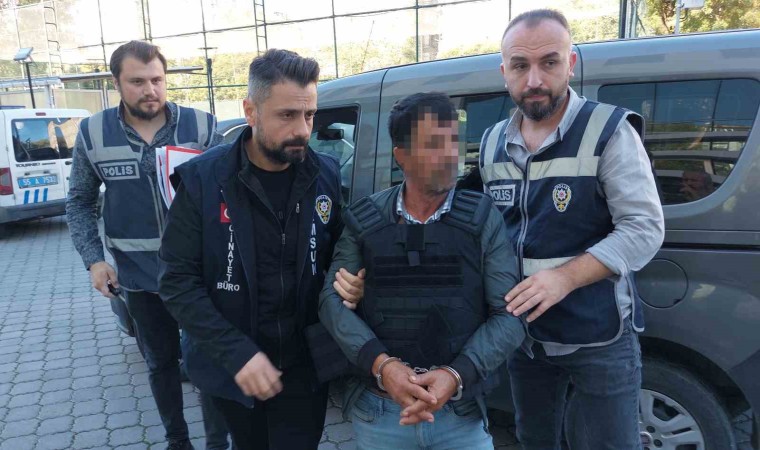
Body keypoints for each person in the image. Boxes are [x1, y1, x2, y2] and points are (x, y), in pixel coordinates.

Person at [158, 49, 365, 450]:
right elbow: (177, 283)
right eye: (287, 115)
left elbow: (340, 246)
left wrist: (352, 279)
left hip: (305, 365)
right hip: (234, 367)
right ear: (250, 111)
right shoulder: (203, 180)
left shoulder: (324, 173)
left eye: (309, 115)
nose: (302, 130)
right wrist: (237, 354)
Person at [478, 9, 665, 449]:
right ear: (504, 72)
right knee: (534, 440)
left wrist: (564, 278)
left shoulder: (609, 130)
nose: (534, 80)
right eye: (520, 66)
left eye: (549, 62)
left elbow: (644, 228)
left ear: (571, 64)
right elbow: (491, 233)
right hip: (525, 340)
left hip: (599, 336)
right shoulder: (490, 142)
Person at [318, 92, 526, 449]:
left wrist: (455, 374)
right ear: (401, 156)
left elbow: (509, 314)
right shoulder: (365, 220)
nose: (448, 154)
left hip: (460, 414)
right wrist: (384, 367)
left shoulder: (482, 218)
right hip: (381, 414)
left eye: (452, 141)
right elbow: (331, 303)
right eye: (432, 144)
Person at [66, 40, 228, 450]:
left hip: (198, 275)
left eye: (157, 80)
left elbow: (230, 192)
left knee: (209, 363)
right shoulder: (93, 132)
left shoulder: (201, 126)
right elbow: (80, 202)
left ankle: (217, 444)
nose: (150, 90)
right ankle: (178, 441)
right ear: (116, 83)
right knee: (160, 363)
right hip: (138, 278)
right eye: (137, 82)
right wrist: (94, 261)